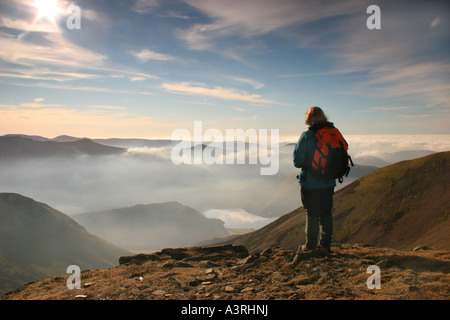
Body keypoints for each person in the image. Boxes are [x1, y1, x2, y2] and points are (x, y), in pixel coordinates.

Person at [292, 106, 336, 261]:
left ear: (309, 119)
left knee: (312, 212)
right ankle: (326, 244)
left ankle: (310, 245)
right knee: (326, 211)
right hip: (329, 182)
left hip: (310, 183)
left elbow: (297, 161)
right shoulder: (333, 133)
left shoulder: (307, 136)